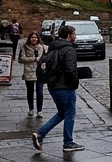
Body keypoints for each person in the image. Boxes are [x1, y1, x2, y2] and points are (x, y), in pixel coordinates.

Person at [31, 24, 84, 152]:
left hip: (53, 86)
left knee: (62, 113)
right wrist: (74, 84)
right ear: (68, 36)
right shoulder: (69, 49)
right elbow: (70, 69)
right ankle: (68, 142)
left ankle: (40, 134)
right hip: (65, 87)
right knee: (70, 114)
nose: (75, 36)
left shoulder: (53, 48)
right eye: (74, 34)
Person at [18, 32, 46, 116]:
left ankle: (39, 111)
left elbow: (41, 58)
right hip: (28, 71)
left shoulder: (41, 47)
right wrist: (34, 59)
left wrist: (39, 60)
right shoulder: (24, 47)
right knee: (30, 92)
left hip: (39, 71)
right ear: (29, 38)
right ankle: (31, 108)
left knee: (39, 92)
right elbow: (22, 59)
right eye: (32, 37)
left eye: (36, 37)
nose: (34, 39)